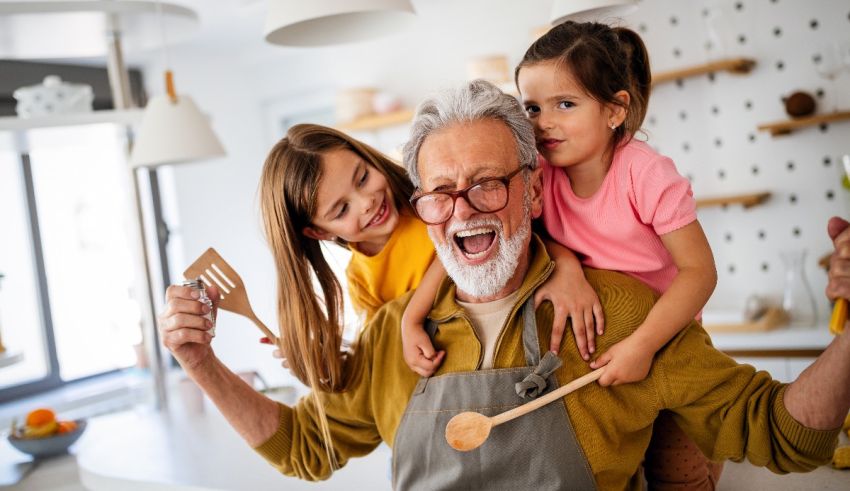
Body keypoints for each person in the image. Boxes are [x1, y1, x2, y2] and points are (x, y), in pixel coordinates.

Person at [158, 80, 846, 490]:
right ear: (422, 204)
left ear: (536, 190)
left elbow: (783, 432)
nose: (463, 209)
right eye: (441, 193)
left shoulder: (628, 311)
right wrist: (201, 362)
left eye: (488, 183)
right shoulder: (391, 332)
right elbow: (305, 448)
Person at [515, 21, 720, 488]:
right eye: (531, 107)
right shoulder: (541, 173)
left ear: (614, 109)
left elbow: (699, 272)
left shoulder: (646, 173)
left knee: (677, 473)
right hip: (601, 355)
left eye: (565, 104)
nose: (543, 122)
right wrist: (565, 265)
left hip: (668, 344)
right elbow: (540, 238)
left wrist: (644, 345)